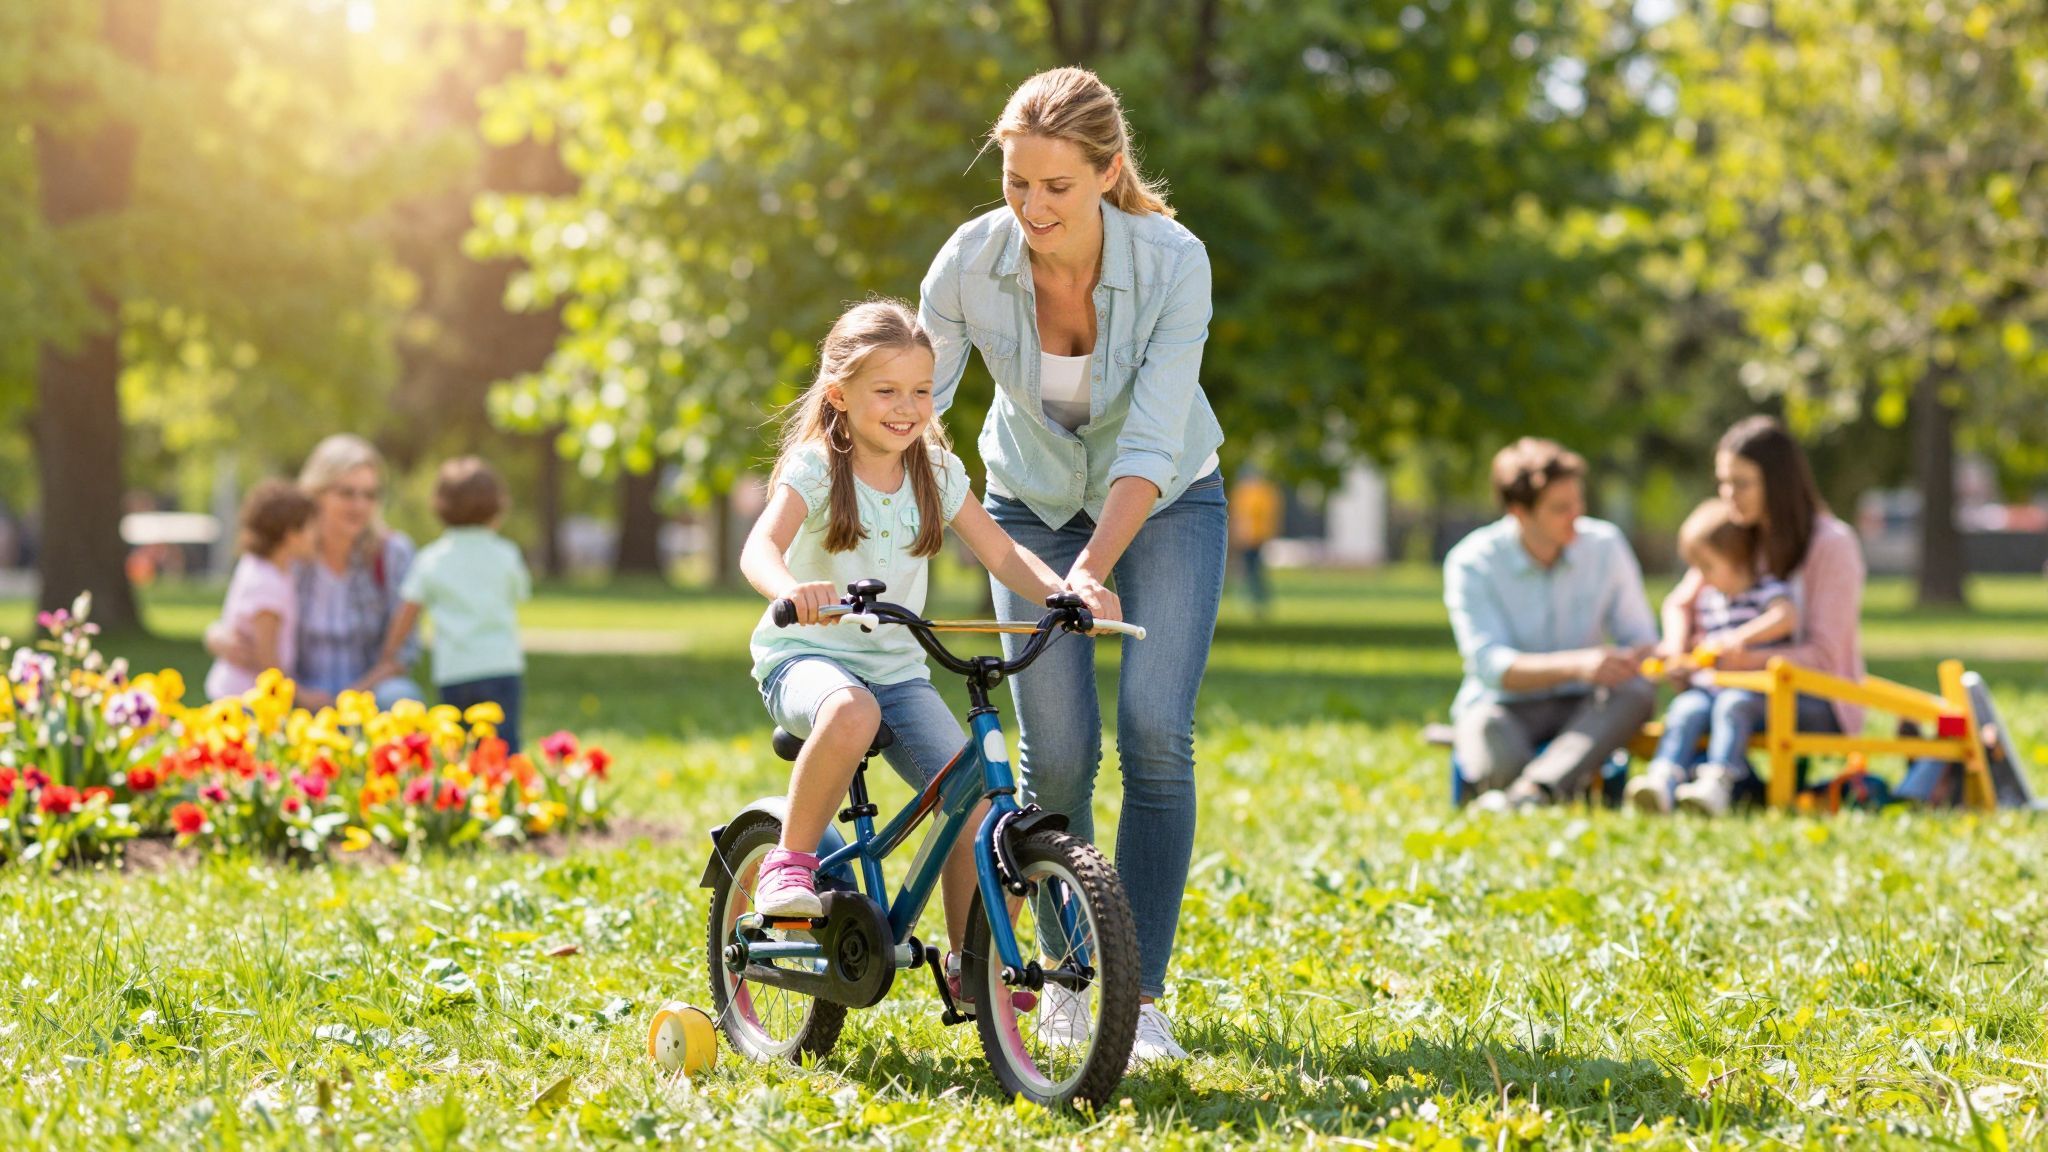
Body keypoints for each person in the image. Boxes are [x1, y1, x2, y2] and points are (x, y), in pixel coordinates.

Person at [919, 66, 1225, 1062]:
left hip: (1169, 499)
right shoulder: (968, 265)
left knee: (1153, 732)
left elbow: (1147, 444)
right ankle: (1064, 978)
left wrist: (1090, 570)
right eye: (1016, 183)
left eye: (1055, 186)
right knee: (1052, 756)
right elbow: (913, 417)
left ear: (1104, 171)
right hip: (1030, 505)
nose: (1032, 208)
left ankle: (1134, 999)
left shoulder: (1173, 262)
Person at [740, 298, 1113, 1017]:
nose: (907, 408)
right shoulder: (818, 469)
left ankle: (965, 963)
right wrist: (792, 590)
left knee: (974, 808)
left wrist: (1064, 593)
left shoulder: (936, 471)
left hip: (897, 668)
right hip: (805, 656)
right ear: (840, 396)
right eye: (886, 391)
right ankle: (789, 864)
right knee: (852, 710)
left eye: (920, 390)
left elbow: (1000, 552)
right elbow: (760, 545)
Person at [1655, 415, 1866, 813]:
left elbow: (1823, 657)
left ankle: (1718, 784)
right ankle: (1675, 782)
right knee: (1704, 705)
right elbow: (1680, 602)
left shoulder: (1831, 545)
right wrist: (1675, 649)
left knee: (1737, 701)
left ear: (1777, 483)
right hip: (1739, 689)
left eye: (1741, 483)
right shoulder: (1738, 533)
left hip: (1821, 697)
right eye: (1723, 481)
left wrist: (1744, 660)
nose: (1728, 494)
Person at [1446, 438, 1659, 812]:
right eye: (1561, 508)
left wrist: (1634, 659)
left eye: (1579, 502)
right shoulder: (1472, 562)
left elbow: (1641, 638)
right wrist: (1578, 665)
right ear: (1519, 512)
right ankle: (1546, 784)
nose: (1576, 514)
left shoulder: (1606, 546)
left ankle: (1533, 790)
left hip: (1585, 705)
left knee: (1638, 694)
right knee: (1486, 738)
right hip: (1502, 707)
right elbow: (1490, 667)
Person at [205, 434, 425, 711]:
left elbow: (403, 654)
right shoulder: (288, 552)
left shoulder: (392, 553)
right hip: (296, 691)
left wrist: (348, 699)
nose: (360, 506)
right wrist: (216, 637)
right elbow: (244, 617)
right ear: (315, 494)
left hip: (368, 692)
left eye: (369, 495)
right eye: (346, 493)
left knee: (401, 698)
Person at [1626, 498, 1798, 814]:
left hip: (1749, 689)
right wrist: (1680, 661)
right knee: (1685, 709)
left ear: (1738, 557)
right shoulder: (1709, 595)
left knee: (1733, 706)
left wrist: (1739, 639)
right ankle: (1663, 778)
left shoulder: (1764, 588)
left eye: (1708, 566)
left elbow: (1786, 616)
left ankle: (1718, 782)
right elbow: (1681, 615)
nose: (1701, 575)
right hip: (1707, 688)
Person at [376, 457, 531, 751]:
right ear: (497, 508)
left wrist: (388, 654)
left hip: (454, 670)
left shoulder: (432, 559)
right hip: (500, 665)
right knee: (503, 745)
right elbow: (519, 593)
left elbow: (408, 610)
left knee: (457, 746)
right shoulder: (506, 554)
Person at [204, 480, 317, 701]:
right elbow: (267, 659)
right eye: (311, 527)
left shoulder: (263, 567)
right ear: (291, 534)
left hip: (239, 693)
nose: (317, 536)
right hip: (246, 699)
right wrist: (302, 697)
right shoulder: (267, 584)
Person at [1229, 469, 1282, 613]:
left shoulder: (1261, 492)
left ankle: (1256, 599)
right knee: (1250, 569)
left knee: (1253, 569)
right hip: (1247, 538)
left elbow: (1267, 516)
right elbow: (1238, 516)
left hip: (1257, 538)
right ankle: (1254, 599)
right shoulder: (1246, 492)